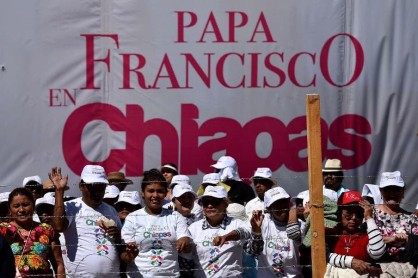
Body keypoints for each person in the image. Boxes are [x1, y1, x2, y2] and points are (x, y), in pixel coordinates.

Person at [51, 165, 123, 277]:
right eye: (93, 187)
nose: (98, 192)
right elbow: (58, 226)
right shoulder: (71, 207)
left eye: (101, 186)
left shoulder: (111, 210)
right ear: (81, 186)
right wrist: (59, 191)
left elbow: (121, 244)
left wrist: (117, 235)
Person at [120, 168, 191, 277]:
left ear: (166, 193)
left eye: (160, 191)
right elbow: (124, 255)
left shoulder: (175, 216)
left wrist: (185, 240)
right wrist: (129, 256)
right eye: (151, 191)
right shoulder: (132, 218)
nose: (155, 195)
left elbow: (187, 246)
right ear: (142, 193)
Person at [188, 186, 262, 277]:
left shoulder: (237, 223)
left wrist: (226, 237)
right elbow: (187, 260)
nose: (210, 206)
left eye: (215, 202)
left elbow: (254, 250)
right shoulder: (194, 228)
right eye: (205, 202)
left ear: (226, 204)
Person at [324, 190, 386, 277]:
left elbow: (377, 252)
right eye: (348, 212)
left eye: (359, 214)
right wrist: (351, 262)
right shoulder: (330, 233)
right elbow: (322, 256)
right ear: (339, 212)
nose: (354, 218)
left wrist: (369, 217)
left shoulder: (364, 236)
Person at [0, 187, 59, 277]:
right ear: (10, 209)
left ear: (34, 206)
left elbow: (58, 264)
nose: (21, 210)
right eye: (16, 206)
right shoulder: (2, 230)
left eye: (26, 204)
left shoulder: (47, 230)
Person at [247, 186, 303, 277]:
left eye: (283, 202)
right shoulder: (261, 223)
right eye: (276, 205)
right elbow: (253, 252)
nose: (281, 207)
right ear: (268, 209)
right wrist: (256, 231)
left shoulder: (299, 224)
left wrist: (293, 214)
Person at [373, 171, 418, 262]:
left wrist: (408, 239)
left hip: (406, 269)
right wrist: (393, 239)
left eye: (396, 189)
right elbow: (364, 240)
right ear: (380, 192)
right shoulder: (370, 214)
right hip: (377, 267)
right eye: (387, 189)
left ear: (403, 192)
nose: (392, 193)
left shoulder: (411, 218)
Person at [35, 193, 66, 276]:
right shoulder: (40, 239)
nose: (44, 215)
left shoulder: (69, 233)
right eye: (40, 212)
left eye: (48, 210)